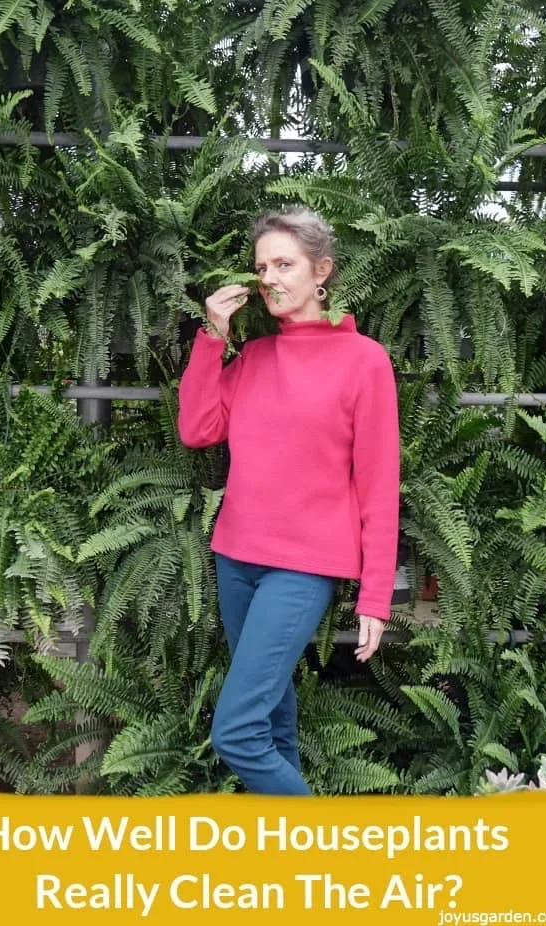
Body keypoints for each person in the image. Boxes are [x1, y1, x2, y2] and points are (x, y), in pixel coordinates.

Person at [177, 206, 401, 796]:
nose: (270, 278)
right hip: (236, 558)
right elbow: (198, 430)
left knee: (238, 732)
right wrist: (213, 338)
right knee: (272, 723)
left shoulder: (365, 362)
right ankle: (292, 871)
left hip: (303, 569)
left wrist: (375, 596)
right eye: (261, 267)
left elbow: (378, 484)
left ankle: (334, 863)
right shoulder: (252, 358)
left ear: (321, 270)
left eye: (284, 264)